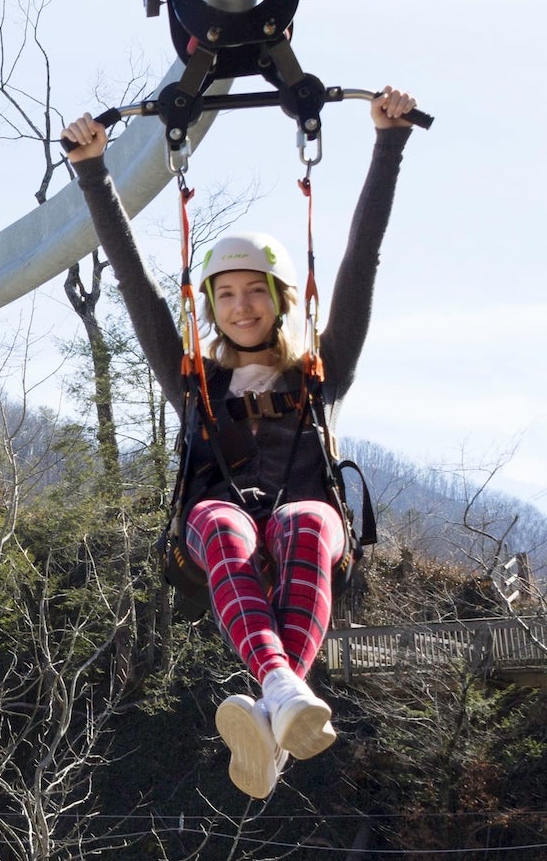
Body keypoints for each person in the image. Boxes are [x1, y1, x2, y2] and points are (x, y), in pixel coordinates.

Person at [61, 86, 419, 799]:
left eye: (256, 291)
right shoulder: (193, 378)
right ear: (213, 306)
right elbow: (133, 282)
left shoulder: (320, 372)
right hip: (215, 526)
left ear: (282, 299)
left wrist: (388, 145)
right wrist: (94, 174)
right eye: (225, 294)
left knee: (303, 521)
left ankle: (272, 707)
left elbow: (362, 258)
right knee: (224, 522)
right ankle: (283, 689)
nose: (241, 306)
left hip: (306, 524)